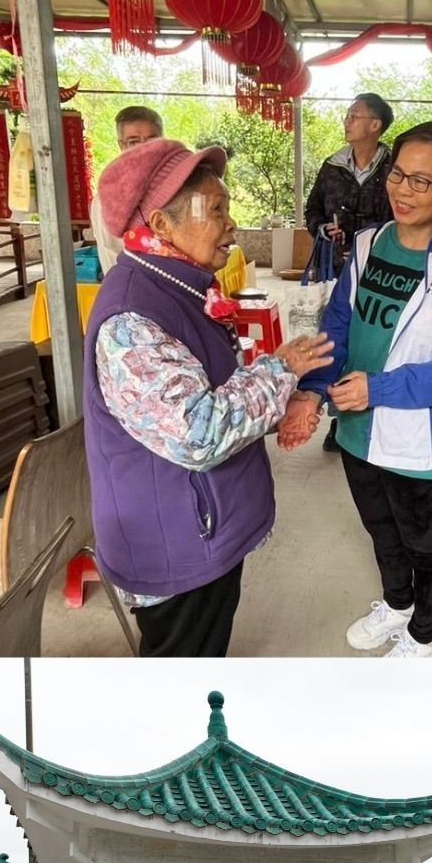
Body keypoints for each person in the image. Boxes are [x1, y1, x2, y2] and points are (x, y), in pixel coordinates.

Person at [84, 138, 332, 657]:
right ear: (161, 225)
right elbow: (198, 433)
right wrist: (279, 370)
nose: (231, 224)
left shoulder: (180, 287)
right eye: (215, 210)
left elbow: (209, 392)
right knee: (183, 675)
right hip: (173, 542)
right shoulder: (132, 320)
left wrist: (278, 405)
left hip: (201, 528)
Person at [300, 119, 432, 660]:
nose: (402, 190)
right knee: (381, 532)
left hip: (419, 445)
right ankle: (397, 603)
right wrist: (314, 392)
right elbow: (338, 325)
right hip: (358, 432)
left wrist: (378, 388)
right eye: (397, 174)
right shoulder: (367, 246)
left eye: (421, 181)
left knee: (425, 546)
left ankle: (424, 636)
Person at [306, 93, 394, 452]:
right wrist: (325, 229)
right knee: (337, 339)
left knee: (373, 341)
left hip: (382, 270)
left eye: (354, 116)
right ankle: (338, 417)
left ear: (375, 125)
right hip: (339, 270)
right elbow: (312, 209)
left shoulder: (394, 167)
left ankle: (373, 409)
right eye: (346, 115)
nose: (346, 121)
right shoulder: (332, 166)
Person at [89, 105, 165, 273]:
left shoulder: (176, 186)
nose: (144, 148)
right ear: (121, 145)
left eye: (152, 140)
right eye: (134, 141)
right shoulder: (108, 200)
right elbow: (118, 258)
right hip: (133, 291)